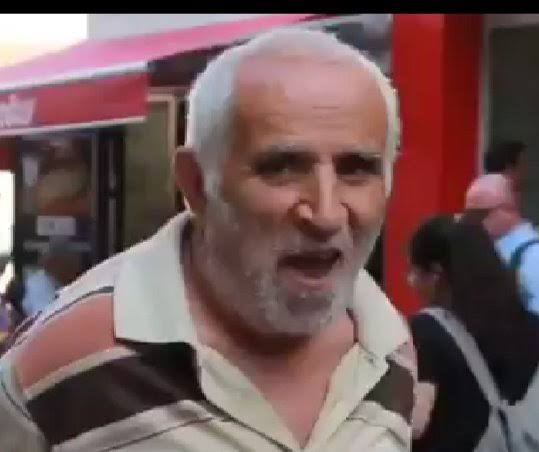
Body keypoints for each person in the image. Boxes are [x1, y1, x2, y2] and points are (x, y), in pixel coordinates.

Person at [0, 28, 415, 451]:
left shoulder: (390, 349)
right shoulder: (58, 362)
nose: (325, 214)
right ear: (197, 184)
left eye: (356, 169)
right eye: (282, 168)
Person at [407, 215, 539, 451]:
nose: (410, 281)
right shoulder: (530, 324)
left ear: (436, 274)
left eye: (414, 272)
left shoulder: (429, 330)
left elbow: (417, 422)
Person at [465, 173, 539, 314]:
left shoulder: (534, 256)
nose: (472, 222)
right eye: (468, 216)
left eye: (479, 214)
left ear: (508, 209)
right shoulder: (485, 250)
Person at [21, 239, 82, 317]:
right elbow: (48, 315)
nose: (76, 268)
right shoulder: (39, 284)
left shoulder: (64, 283)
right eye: (71, 263)